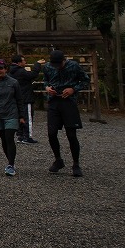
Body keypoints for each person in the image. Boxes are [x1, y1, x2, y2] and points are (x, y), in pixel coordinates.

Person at [42, 49, 90, 177]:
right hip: (53, 102)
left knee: (71, 134)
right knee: (51, 133)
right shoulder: (47, 67)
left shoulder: (74, 66)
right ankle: (58, 160)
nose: (57, 67)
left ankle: (76, 163)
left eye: (59, 64)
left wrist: (73, 89)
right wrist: (47, 88)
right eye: (55, 65)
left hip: (69, 102)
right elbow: (45, 80)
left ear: (64, 60)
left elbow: (85, 80)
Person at [0, 59, 26, 177]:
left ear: (5, 69)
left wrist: (21, 116)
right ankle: (10, 161)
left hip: (11, 113)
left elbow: (19, 99)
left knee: (9, 137)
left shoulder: (13, 82)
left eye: (0, 68)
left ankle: (11, 164)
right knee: (3, 139)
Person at [9, 54, 38, 144]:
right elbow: (33, 75)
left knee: (19, 117)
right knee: (27, 117)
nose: (25, 62)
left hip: (16, 98)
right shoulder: (21, 71)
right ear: (19, 63)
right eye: (23, 60)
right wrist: (37, 65)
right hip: (26, 97)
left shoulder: (10, 72)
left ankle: (20, 135)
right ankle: (27, 137)